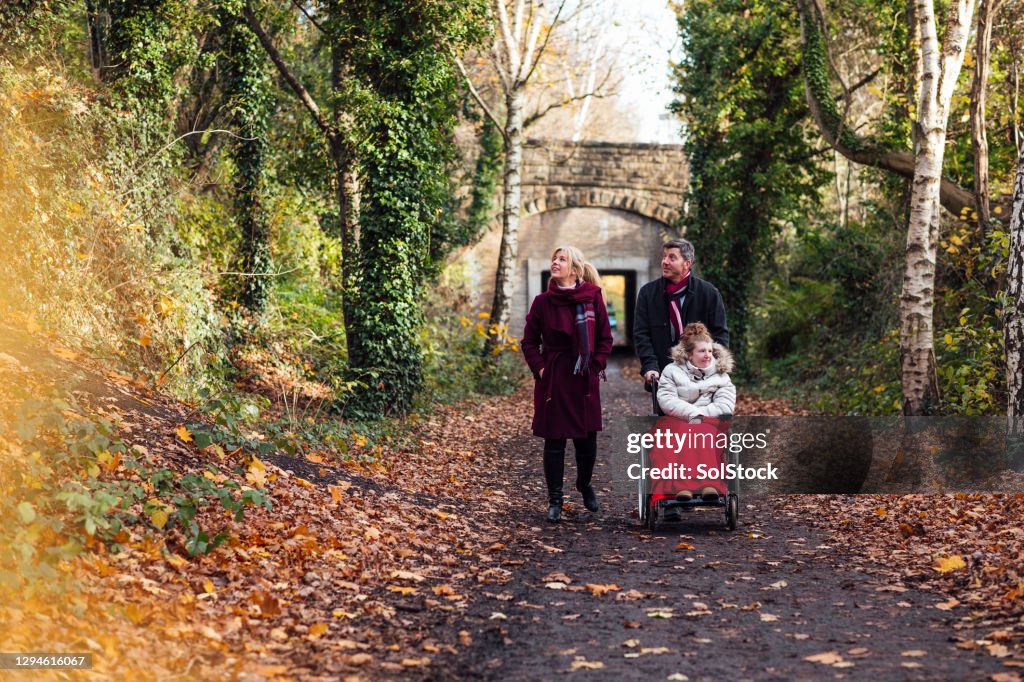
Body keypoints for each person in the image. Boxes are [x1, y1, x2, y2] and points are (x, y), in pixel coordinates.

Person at [522, 246, 613, 523]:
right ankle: (555, 500)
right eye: (554, 258)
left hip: (583, 377)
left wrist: (595, 366)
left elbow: (604, 339)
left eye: (562, 259)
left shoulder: (592, 297)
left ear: (574, 270)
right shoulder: (542, 302)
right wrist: (541, 369)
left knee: (587, 441)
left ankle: (584, 484)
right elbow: (529, 342)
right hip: (554, 378)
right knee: (554, 441)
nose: (555, 262)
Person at [634, 239, 729, 391]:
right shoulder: (648, 293)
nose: (665, 261)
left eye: (672, 258)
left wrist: (713, 368)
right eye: (664, 256)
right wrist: (650, 366)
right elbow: (641, 334)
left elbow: (720, 335)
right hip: (663, 376)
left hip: (702, 378)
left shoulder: (709, 293)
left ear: (687, 263)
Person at [657, 322, 736, 505]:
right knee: (684, 433)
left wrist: (700, 416)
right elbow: (667, 400)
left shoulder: (721, 375)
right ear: (689, 354)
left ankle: (709, 484)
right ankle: (683, 486)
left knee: (704, 431)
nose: (707, 355)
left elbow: (725, 405)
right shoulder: (671, 371)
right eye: (701, 351)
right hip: (677, 419)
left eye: (709, 351)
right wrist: (692, 414)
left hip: (709, 420)